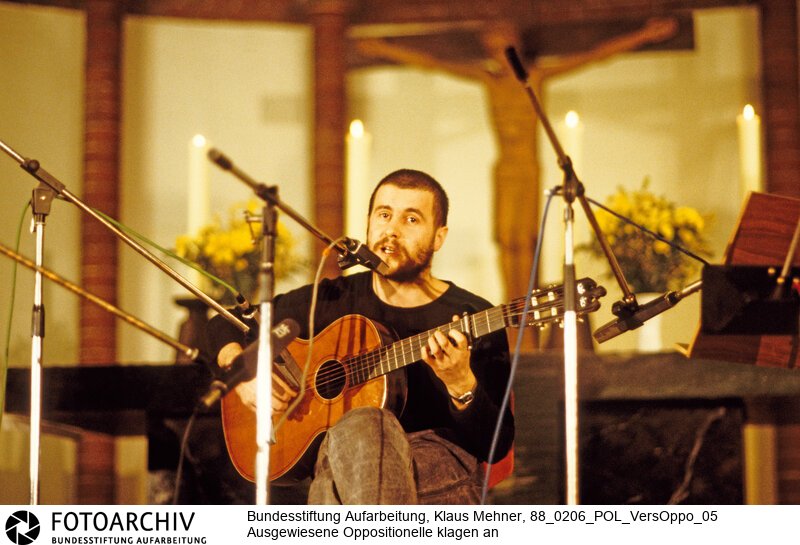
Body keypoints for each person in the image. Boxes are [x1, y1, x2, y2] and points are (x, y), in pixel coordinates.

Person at [356, 18, 678, 345]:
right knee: (505, 244)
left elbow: (593, 56)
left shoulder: (533, 79)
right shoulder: (488, 79)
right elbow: (435, 64)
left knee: (524, 245)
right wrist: (385, 48)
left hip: (526, 169)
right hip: (503, 169)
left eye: (502, 44)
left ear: (516, 45)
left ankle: (526, 335)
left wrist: (644, 34)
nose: (496, 51)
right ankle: (512, 327)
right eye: (491, 46)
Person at [208, 169, 514, 504]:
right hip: (344, 463)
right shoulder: (329, 300)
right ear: (368, 222)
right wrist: (242, 370)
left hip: (436, 472)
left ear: (439, 237)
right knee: (353, 436)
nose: (392, 231)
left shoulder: (473, 315)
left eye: (411, 219)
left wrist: (461, 384)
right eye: (384, 215)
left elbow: (495, 446)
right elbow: (224, 324)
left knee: (366, 425)